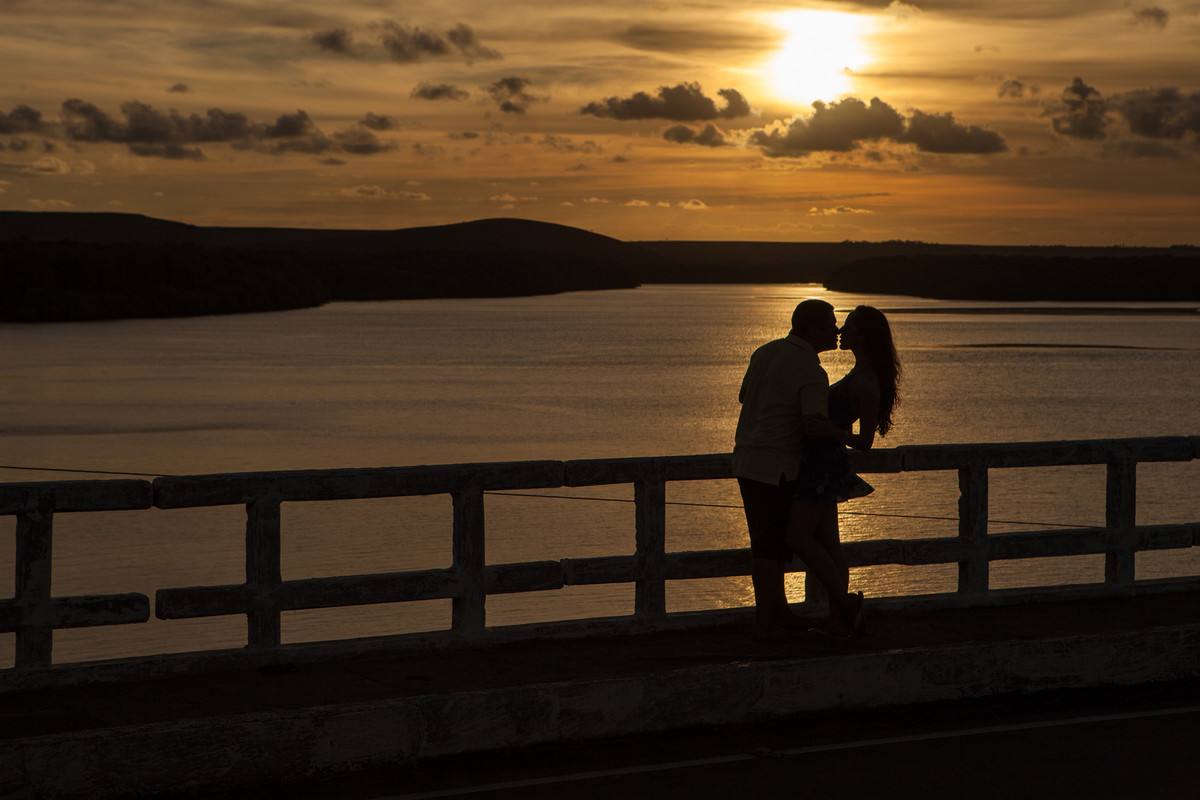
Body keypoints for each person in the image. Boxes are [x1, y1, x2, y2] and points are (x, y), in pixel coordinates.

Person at [733, 299, 840, 642]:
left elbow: (743, 395)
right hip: (778, 465)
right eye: (830, 325)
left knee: (771, 542)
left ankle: (779, 612)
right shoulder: (812, 371)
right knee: (768, 546)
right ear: (812, 330)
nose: (836, 331)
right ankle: (766, 620)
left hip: (748, 458)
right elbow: (815, 425)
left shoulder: (765, 351)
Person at [791, 304, 901, 637]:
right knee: (829, 543)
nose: (841, 332)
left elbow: (865, 440)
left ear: (863, 337)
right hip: (819, 462)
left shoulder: (867, 382)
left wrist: (833, 433)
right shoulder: (859, 372)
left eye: (849, 327)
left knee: (797, 536)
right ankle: (839, 622)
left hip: (826, 465)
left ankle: (846, 606)